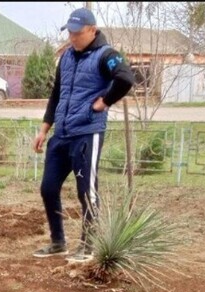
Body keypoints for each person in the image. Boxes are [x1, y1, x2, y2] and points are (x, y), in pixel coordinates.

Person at [32, 7, 135, 260]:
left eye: (77, 33)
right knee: (48, 188)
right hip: (62, 134)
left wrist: (105, 102)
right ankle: (58, 242)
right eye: (70, 32)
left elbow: (126, 78)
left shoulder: (106, 55)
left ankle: (89, 245)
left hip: (87, 134)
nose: (73, 37)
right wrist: (45, 129)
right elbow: (57, 94)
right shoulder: (66, 57)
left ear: (92, 30)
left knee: (85, 190)